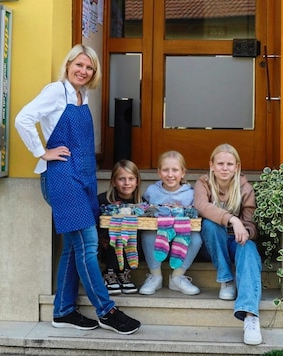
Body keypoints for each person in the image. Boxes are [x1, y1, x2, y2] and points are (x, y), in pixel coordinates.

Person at [14, 44, 141, 335]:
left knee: (73, 247)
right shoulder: (55, 91)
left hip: (83, 177)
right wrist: (41, 151)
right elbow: (23, 118)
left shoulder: (82, 96)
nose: (83, 71)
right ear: (69, 64)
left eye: (89, 67)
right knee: (88, 244)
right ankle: (106, 311)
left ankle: (63, 311)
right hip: (61, 178)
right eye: (79, 65)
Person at [193, 144, 263, 345]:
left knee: (248, 248)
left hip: (236, 243)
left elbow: (252, 226)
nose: (225, 168)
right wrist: (233, 219)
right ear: (212, 165)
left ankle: (250, 316)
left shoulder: (245, 189)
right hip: (212, 245)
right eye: (220, 163)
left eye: (229, 164)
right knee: (210, 224)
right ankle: (226, 279)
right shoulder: (203, 183)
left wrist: (246, 231)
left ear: (237, 166)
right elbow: (201, 207)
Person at [139, 151, 202, 295]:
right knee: (148, 235)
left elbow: (195, 216)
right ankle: (155, 276)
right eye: (165, 170)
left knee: (196, 239)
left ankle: (177, 276)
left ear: (183, 172)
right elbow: (145, 212)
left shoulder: (190, 194)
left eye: (175, 170)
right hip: (159, 232)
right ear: (159, 172)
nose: (170, 174)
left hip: (182, 233)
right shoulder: (152, 191)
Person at [97, 160, 142, 295]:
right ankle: (110, 273)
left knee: (130, 230)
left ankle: (124, 273)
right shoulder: (103, 200)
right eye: (122, 179)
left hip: (131, 244)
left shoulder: (140, 203)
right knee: (116, 230)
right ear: (113, 181)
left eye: (131, 179)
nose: (127, 183)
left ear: (137, 181)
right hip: (107, 242)